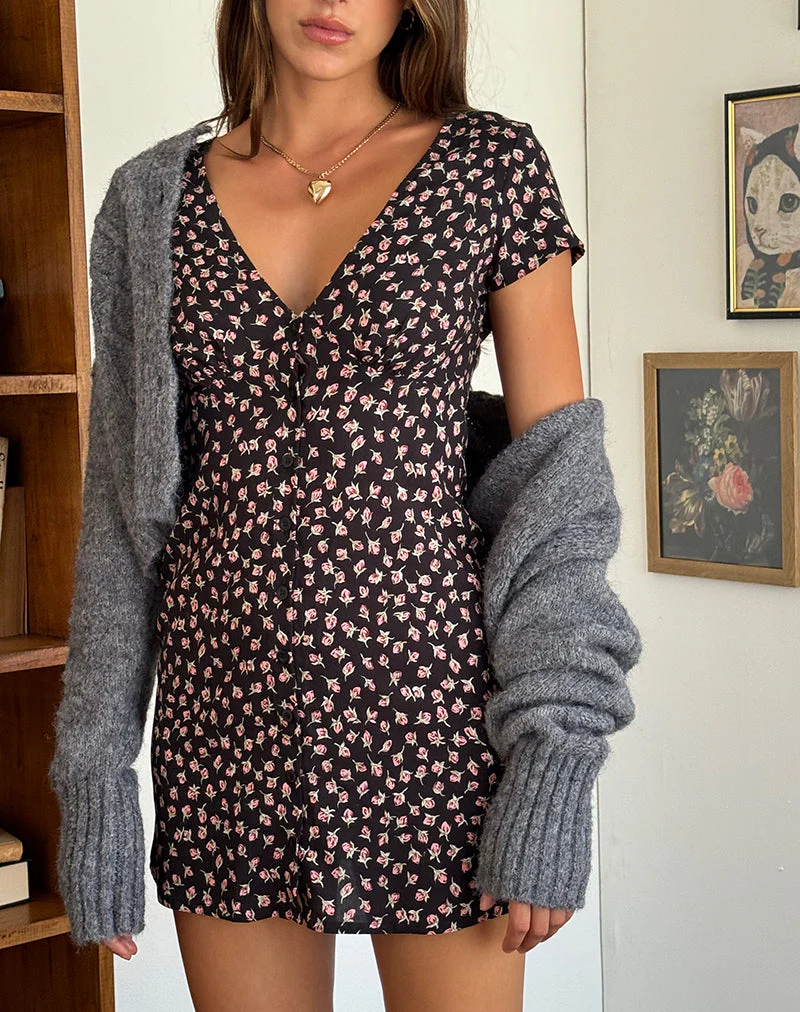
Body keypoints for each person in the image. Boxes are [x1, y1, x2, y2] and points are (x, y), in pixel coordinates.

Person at [50, 1, 602, 1009]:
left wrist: (553, 761)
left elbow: (557, 497)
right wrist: (95, 779)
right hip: (224, 729)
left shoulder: (490, 169)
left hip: (435, 726)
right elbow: (121, 523)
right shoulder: (148, 200)